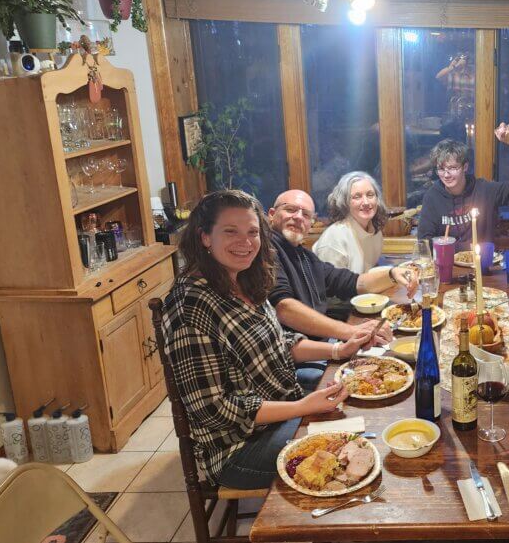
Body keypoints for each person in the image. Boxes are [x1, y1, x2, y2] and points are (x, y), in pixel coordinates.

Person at [161, 190, 351, 489]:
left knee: (351, 392)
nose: (246, 242)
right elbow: (215, 410)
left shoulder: (243, 278)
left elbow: (279, 343)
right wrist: (304, 407)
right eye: (230, 231)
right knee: (345, 450)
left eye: (252, 232)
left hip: (282, 402)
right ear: (205, 237)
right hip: (240, 448)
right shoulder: (191, 306)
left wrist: (340, 349)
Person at [268, 189, 417, 389]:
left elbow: (352, 282)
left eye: (306, 214)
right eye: (290, 210)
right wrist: (350, 331)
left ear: (311, 223)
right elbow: (284, 308)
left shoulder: (304, 256)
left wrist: (392, 274)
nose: (298, 217)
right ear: (272, 214)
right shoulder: (267, 250)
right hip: (296, 362)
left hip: (325, 345)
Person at [416, 135, 509, 247]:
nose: (446, 175)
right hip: (447, 260)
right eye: (441, 169)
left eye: (452, 168)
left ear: (465, 167)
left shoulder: (484, 190)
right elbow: (424, 239)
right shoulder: (432, 197)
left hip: (482, 260)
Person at [313, 172, 387, 274]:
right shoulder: (335, 239)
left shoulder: (376, 233)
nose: (366, 202)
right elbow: (331, 283)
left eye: (370, 195)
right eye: (357, 197)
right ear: (344, 202)